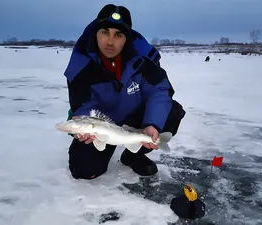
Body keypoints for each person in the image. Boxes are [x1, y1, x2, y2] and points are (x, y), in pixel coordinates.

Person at [62, 4, 185, 180]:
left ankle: (133, 154)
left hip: (135, 120)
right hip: (103, 124)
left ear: (126, 38)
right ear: (96, 33)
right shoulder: (81, 65)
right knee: (84, 171)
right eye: (105, 32)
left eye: (118, 35)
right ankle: (103, 150)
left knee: (172, 112)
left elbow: (159, 91)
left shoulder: (143, 59)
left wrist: (153, 123)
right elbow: (83, 104)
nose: (110, 41)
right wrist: (83, 121)